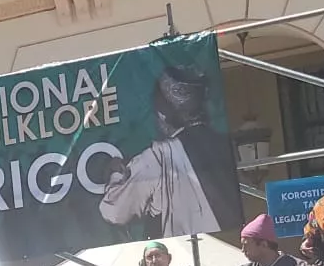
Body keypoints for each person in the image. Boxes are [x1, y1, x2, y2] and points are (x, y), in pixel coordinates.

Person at [100, 66, 243, 238]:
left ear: (162, 114)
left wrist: (116, 174)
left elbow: (115, 212)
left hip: (192, 251)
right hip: (232, 243)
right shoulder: (227, 144)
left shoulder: (160, 155)